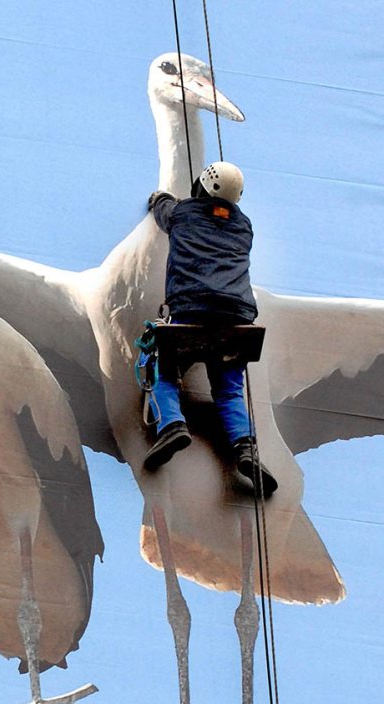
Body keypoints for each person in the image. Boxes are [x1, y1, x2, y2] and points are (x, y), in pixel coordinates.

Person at [144, 161, 278, 496]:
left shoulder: (184, 213)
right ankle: (245, 449)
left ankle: (172, 426)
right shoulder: (244, 226)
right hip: (236, 321)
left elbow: (163, 210)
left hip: (190, 311)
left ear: (200, 185)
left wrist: (159, 198)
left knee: (165, 374)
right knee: (230, 390)